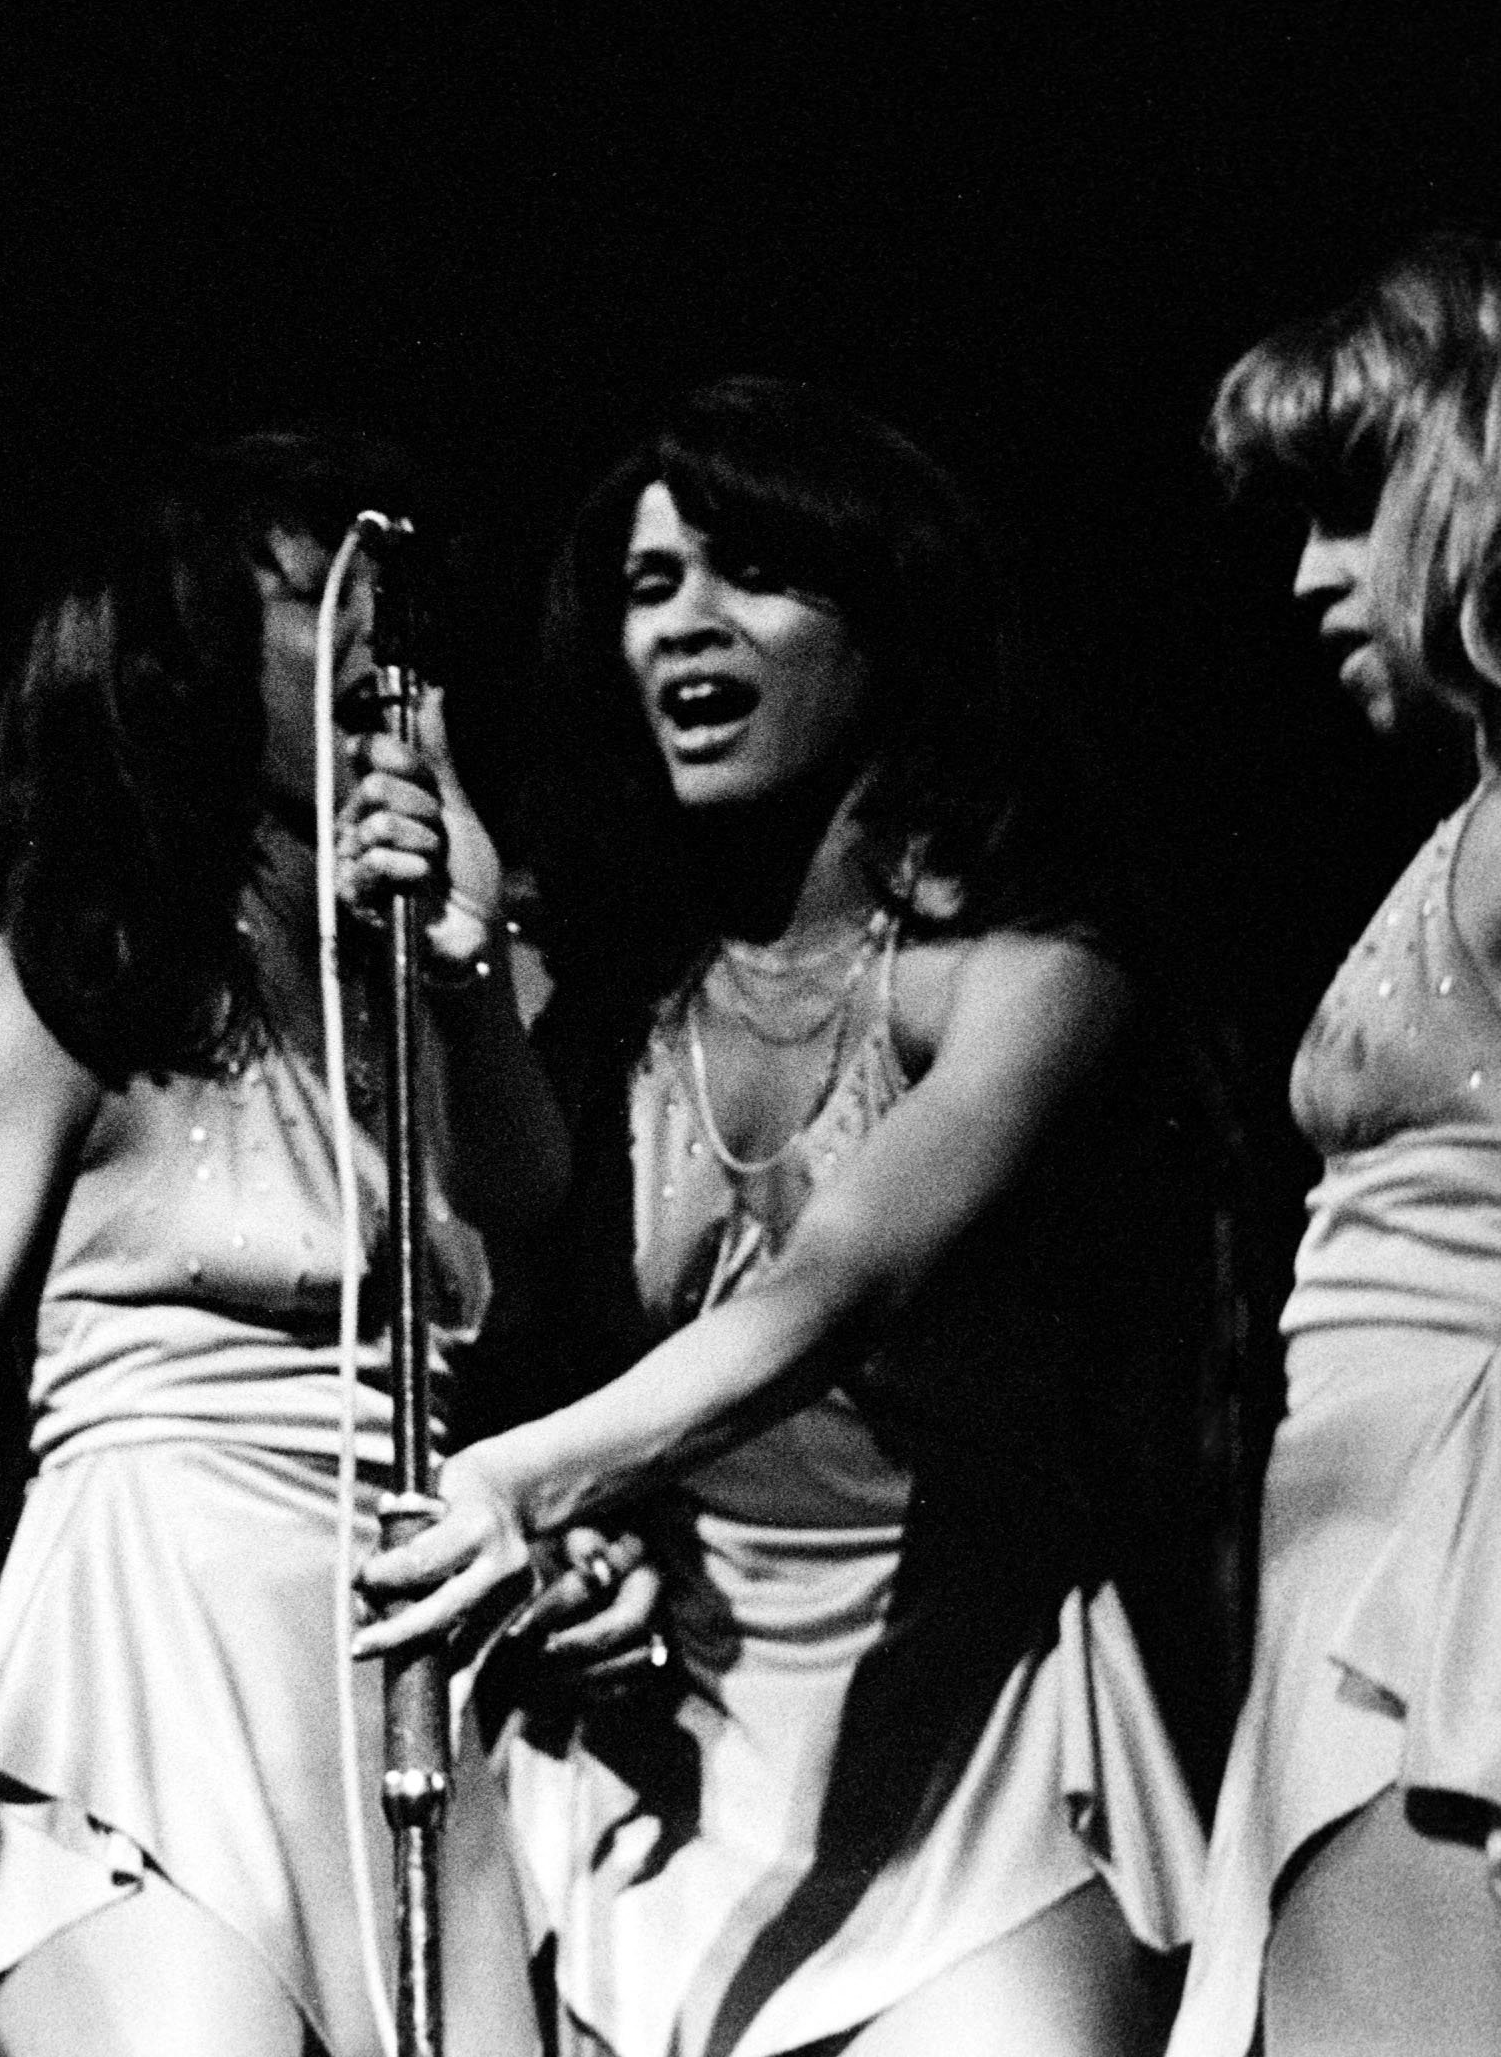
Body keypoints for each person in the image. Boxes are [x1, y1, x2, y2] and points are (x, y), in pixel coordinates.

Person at [0, 440, 657, 2057]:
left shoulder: (430, 977)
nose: (378, 634)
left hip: (396, 1675)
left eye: (394, 605)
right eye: (318, 596)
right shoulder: (66, 988)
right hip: (149, 1659)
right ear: (186, 660)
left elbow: (524, 1204)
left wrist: (458, 961)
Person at [356, 380, 1208, 2057]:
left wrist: (528, 1485)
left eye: (750, 573)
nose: (685, 619)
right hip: (661, 1766)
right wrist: (459, 973)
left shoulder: (1030, 974)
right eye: (648, 584)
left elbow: (833, 1291)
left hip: (970, 1760)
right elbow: (515, 1249)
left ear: (887, 618)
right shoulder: (608, 998)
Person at [1178, 235, 1501, 2057]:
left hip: (1441, 1605)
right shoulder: (1466, 819)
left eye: (1349, 505)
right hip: (1364, 1590)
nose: (1308, 574)